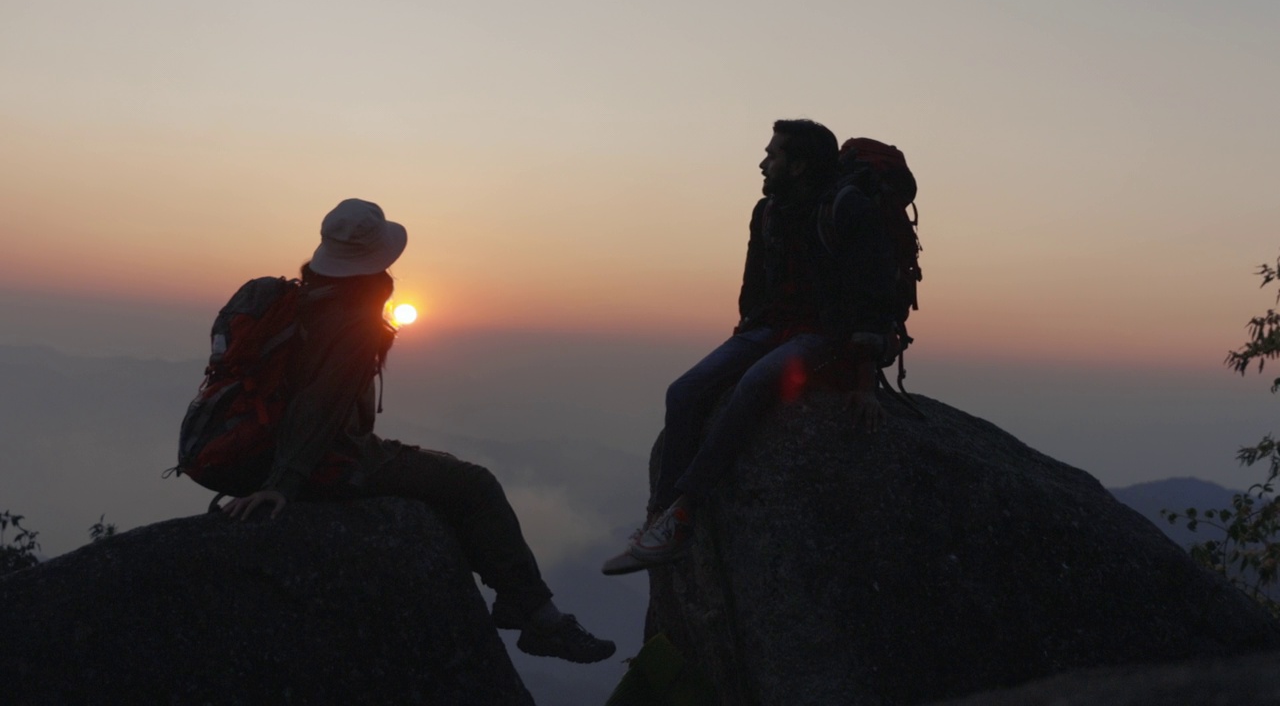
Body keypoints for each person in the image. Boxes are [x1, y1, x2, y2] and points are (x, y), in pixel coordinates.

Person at [222, 198, 615, 664]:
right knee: (475, 486)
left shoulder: (293, 301)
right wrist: (283, 484)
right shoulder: (352, 320)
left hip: (261, 447)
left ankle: (520, 604)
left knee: (445, 472)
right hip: (327, 459)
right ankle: (541, 620)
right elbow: (318, 405)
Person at [602, 119, 896, 575]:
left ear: (797, 166)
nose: (763, 163)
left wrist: (864, 383)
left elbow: (871, 299)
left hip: (828, 338)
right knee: (684, 391)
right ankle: (658, 515)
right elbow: (754, 287)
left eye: (772, 155)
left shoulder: (847, 209)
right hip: (771, 327)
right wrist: (741, 342)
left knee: (756, 384)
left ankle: (685, 512)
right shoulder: (768, 211)